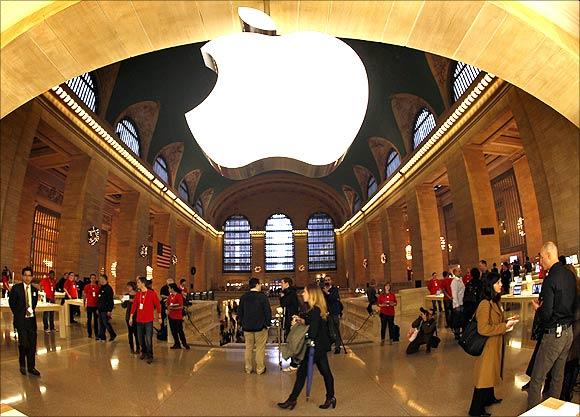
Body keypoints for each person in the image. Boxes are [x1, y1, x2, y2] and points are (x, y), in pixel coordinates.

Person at [527, 242, 576, 410]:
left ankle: (532, 412)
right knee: (557, 376)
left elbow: (546, 313)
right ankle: (553, 410)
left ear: (548, 255)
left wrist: (538, 309)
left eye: (541, 256)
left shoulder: (550, 279)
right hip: (568, 332)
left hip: (554, 334)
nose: (540, 260)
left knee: (537, 378)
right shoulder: (570, 275)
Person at [278, 283, 336, 410]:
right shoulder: (315, 309)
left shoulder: (315, 310)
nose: (302, 294)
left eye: (304, 291)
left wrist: (301, 334)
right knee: (325, 372)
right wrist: (302, 320)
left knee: (302, 373)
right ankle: (330, 397)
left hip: (315, 347)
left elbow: (313, 332)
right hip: (320, 346)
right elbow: (312, 323)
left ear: (312, 294)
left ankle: (292, 400)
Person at [468, 272, 518, 417]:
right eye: (498, 283)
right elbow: (482, 328)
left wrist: (508, 320)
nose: (501, 285)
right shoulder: (484, 304)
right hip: (487, 347)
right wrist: (504, 326)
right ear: (490, 285)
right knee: (483, 378)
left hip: (494, 344)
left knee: (490, 374)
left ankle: (489, 398)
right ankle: (475, 410)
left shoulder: (494, 301)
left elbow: (496, 321)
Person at [9, 267, 41, 376]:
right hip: (21, 321)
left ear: (32, 277)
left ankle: (31, 367)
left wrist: (29, 313)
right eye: (25, 275)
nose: (27, 277)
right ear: (22, 276)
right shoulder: (16, 289)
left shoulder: (35, 291)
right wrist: (19, 315)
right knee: (23, 344)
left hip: (31, 321)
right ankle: (22, 365)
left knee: (32, 344)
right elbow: (12, 304)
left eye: (29, 275)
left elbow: (34, 304)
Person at [238, 277, 271, 374]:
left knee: (248, 348)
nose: (261, 286)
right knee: (260, 348)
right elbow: (267, 312)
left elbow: (240, 312)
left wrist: (242, 323)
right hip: (260, 327)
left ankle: (248, 368)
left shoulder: (244, 297)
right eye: (260, 284)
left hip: (247, 327)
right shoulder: (262, 297)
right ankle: (260, 369)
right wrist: (267, 324)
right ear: (257, 284)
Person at [130, 277, 162, 364]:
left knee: (148, 339)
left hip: (148, 320)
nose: (137, 284)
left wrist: (159, 316)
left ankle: (150, 355)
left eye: (138, 282)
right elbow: (134, 306)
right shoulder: (138, 294)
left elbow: (158, 305)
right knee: (140, 339)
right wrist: (131, 317)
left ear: (143, 283)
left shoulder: (151, 293)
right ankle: (143, 352)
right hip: (139, 320)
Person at [280, 277, 300, 371]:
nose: (281, 285)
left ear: (287, 284)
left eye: (282, 283)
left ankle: (294, 363)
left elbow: (284, 304)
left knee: (292, 342)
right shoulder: (290, 293)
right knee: (291, 341)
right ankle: (295, 362)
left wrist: (282, 296)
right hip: (290, 319)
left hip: (291, 320)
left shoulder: (290, 294)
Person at [322, 276, 343, 354]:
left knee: (336, 330)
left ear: (331, 281)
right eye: (325, 280)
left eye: (328, 280)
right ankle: (329, 344)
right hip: (326, 312)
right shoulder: (322, 290)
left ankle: (338, 347)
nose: (327, 281)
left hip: (334, 312)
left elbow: (334, 298)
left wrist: (327, 293)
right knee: (328, 330)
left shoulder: (334, 289)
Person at [167, 283, 190, 350]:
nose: (168, 289)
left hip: (177, 317)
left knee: (180, 331)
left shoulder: (179, 296)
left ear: (172, 289)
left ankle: (184, 343)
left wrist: (173, 308)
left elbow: (181, 306)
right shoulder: (170, 296)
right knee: (173, 331)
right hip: (171, 316)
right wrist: (168, 309)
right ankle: (177, 343)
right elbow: (168, 304)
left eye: (169, 288)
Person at [96, 274, 116, 342]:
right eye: (100, 279)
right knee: (101, 324)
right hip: (101, 309)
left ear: (105, 280)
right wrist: (98, 308)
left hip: (105, 309)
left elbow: (110, 301)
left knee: (106, 323)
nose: (100, 280)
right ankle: (102, 337)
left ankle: (112, 334)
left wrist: (109, 310)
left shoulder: (108, 288)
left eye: (102, 279)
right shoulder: (101, 288)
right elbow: (99, 299)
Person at [122, 281, 140, 354]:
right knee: (130, 332)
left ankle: (138, 348)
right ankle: (131, 348)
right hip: (128, 316)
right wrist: (123, 300)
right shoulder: (127, 295)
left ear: (133, 287)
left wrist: (134, 301)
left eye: (129, 286)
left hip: (136, 316)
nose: (128, 288)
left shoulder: (138, 295)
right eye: (127, 286)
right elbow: (123, 306)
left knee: (136, 333)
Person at [83, 274, 100, 338]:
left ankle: (96, 334)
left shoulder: (98, 287)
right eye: (92, 278)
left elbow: (99, 297)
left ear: (95, 279)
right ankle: (89, 333)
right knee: (89, 320)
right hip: (89, 305)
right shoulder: (87, 286)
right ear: (90, 279)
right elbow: (84, 296)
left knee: (96, 320)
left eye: (94, 278)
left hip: (96, 306)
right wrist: (84, 304)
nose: (93, 279)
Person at [451, 268, 465, 340]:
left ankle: (461, 334)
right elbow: (454, 294)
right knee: (457, 320)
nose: (460, 272)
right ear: (455, 273)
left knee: (461, 319)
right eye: (459, 271)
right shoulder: (454, 282)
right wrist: (457, 305)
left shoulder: (460, 280)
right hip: (458, 304)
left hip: (461, 302)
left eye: (460, 271)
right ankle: (457, 335)